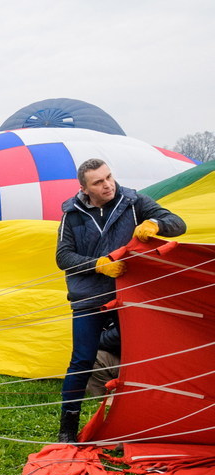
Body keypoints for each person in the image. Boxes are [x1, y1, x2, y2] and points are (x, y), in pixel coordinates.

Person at [55, 158, 186, 442]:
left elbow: (178, 224)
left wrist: (154, 223)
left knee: (144, 356)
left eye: (109, 177)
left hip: (129, 296)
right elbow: (63, 257)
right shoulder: (72, 213)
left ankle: (144, 419)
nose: (107, 185)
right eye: (98, 182)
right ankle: (67, 431)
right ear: (84, 188)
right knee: (81, 361)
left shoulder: (133, 202)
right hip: (89, 298)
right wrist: (97, 264)